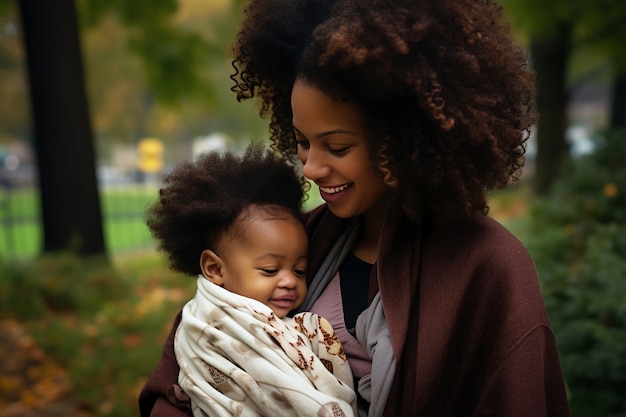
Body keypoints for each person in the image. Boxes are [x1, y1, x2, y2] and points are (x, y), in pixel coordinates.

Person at [140, 0, 571, 416]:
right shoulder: (296, 242)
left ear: (403, 139)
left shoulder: (489, 266)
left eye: (338, 146)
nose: (310, 167)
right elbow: (188, 365)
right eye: (303, 142)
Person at [143, 145, 356, 417]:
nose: (290, 281)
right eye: (270, 270)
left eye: (300, 270)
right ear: (214, 269)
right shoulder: (206, 325)